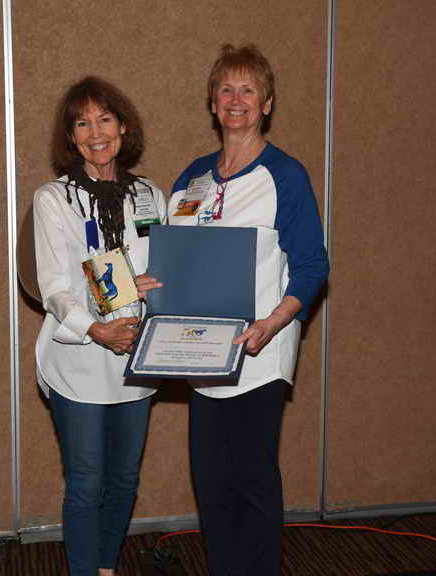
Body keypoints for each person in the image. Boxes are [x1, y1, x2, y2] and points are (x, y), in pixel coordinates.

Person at [137, 44, 329, 575]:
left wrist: (273, 323)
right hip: (201, 356)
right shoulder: (192, 177)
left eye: (248, 90)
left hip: (260, 351)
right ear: (212, 103)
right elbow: (174, 258)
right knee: (212, 482)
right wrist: (149, 284)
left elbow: (312, 265)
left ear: (267, 103)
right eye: (226, 89)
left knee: (252, 480)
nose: (236, 99)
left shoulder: (285, 175)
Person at [33, 76, 166, 576]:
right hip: (79, 359)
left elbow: (163, 269)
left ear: (123, 126)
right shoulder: (53, 199)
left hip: (135, 358)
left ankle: (105, 567)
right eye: (83, 123)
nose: (96, 133)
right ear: (71, 137)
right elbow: (54, 287)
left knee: (124, 480)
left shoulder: (150, 196)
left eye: (105, 119)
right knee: (87, 481)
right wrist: (96, 329)